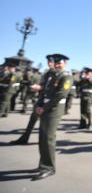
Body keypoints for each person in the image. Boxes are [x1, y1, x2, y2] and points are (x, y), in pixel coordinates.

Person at [32, 53, 73, 181]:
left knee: (48, 138)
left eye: (59, 62)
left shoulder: (66, 77)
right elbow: (43, 91)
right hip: (45, 107)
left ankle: (49, 168)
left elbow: (60, 95)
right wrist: (39, 104)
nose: (56, 64)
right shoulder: (51, 75)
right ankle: (43, 164)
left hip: (54, 109)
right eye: (55, 62)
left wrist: (44, 107)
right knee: (42, 138)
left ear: (65, 64)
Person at [10, 55, 56, 145]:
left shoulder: (57, 74)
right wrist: (39, 87)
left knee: (48, 125)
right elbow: (44, 85)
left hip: (49, 102)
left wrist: (41, 88)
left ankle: (46, 143)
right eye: (48, 61)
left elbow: (56, 89)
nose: (49, 63)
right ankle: (25, 138)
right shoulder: (47, 72)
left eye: (51, 62)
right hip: (41, 99)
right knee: (33, 119)